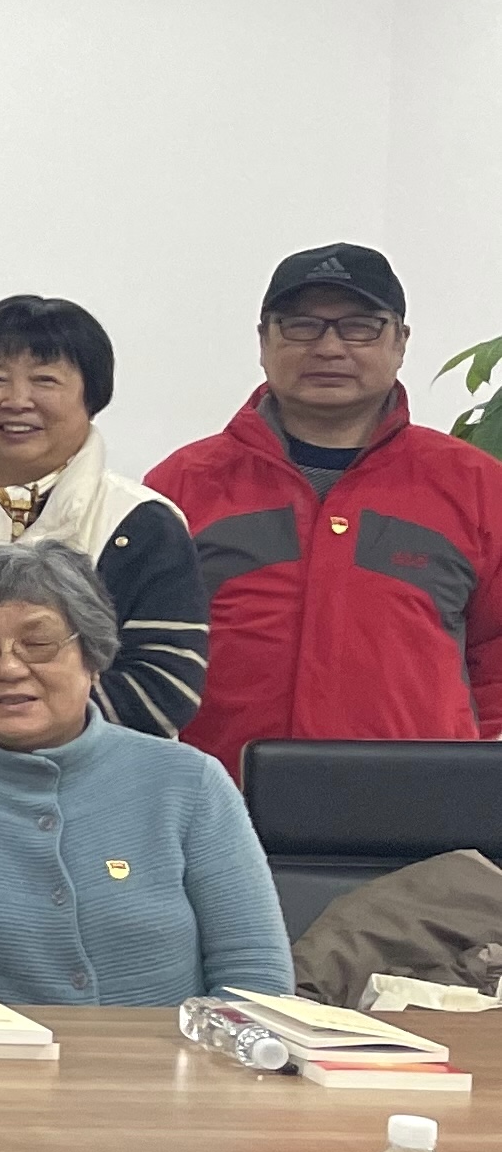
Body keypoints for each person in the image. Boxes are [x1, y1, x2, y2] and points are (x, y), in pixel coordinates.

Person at [0, 543, 288, 1005]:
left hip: (182, 1050)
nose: (8, 668)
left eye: (39, 644)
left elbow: (255, 974)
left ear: (92, 656)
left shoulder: (190, 783)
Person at [149, 244, 502, 778]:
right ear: (264, 341)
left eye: (360, 327)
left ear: (401, 341)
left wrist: (465, 770)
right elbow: (138, 653)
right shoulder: (180, 486)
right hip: (217, 802)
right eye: (302, 326)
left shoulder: (476, 487)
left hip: (417, 807)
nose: (330, 347)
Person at [0, 296, 205, 740]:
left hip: (89, 774)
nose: (17, 400)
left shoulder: (139, 524)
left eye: (45, 381)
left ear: (92, 396)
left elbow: (165, 688)